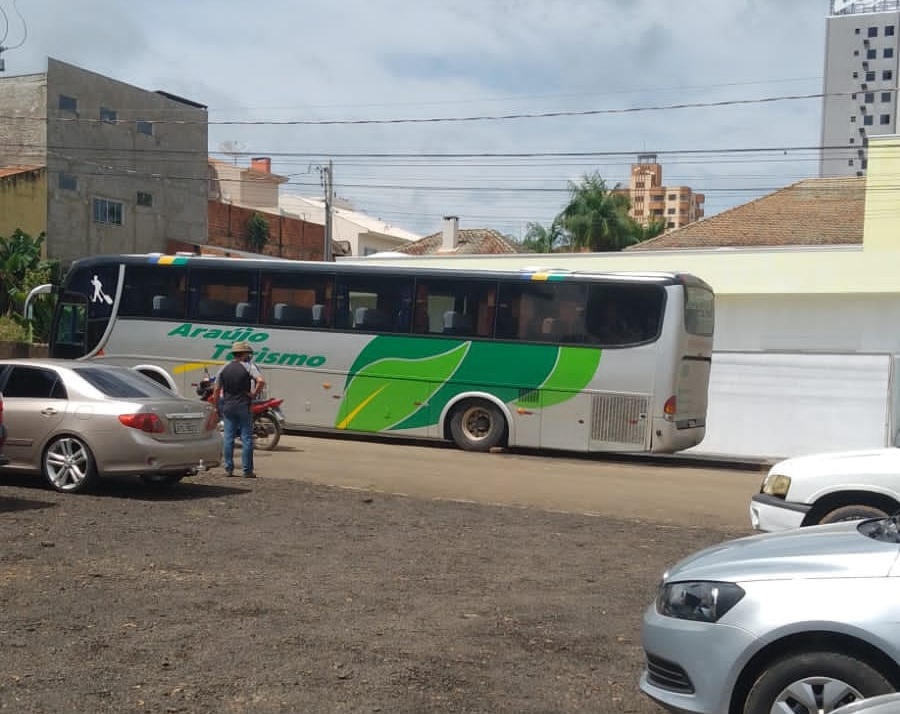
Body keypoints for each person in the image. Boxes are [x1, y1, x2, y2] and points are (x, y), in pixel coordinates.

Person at [212, 340, 264, 478]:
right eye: (248, 353)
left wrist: (215, 407)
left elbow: (216, 390)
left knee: (228, 438)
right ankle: (247, 471)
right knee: (246, 438)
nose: (249, 355)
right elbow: (261, 381)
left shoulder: (224, 368)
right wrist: (253, 394)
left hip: (228, 406)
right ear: (244, 354)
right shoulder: (249, 367)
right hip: (243, 406)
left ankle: (228, 469)